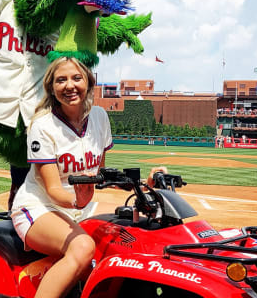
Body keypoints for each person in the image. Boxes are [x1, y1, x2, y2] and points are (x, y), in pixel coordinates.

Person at [10, 57, 169, 298]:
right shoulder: (42, 126)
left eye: (76, 78)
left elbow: (100, 176)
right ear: (51, 88)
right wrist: (77, 201)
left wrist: (145, 186)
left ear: (88, 82)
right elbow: (53, 189)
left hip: (79, 205)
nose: (69, 85)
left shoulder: (99, 117)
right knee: (82, 246)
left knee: (137, 223)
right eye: (60, 80)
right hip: (39, 207)